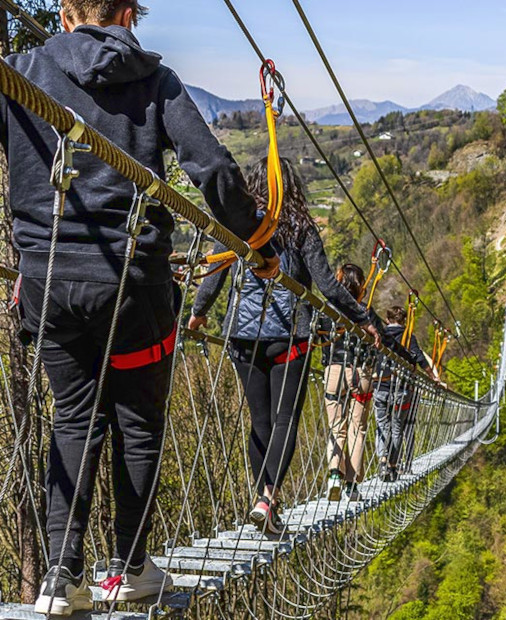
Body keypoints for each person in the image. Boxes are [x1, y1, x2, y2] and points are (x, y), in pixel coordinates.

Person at [1, 1, 280, 614]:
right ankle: (129, 568)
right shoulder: (157, 80)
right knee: (139, 424)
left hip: (47, 286)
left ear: (66, 13)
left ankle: (59, 575)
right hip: (132, 289)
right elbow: (215, 172)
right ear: (128, 14)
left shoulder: (18, 71)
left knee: (73, 418)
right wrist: (257, 241)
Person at [189, 157, 379, 533]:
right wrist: (362, 318)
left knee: (259, 422)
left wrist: (198, 312)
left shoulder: (237, 221)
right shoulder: (301, 227)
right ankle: (268, 498)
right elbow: (326, 284)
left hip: (242, 339)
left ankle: (263, 498)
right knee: (283, 420)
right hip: (289, 339)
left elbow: (214, 270)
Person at [317, 264, 380, 502]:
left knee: (336, 426)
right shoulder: (365, 311)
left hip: (334, 371)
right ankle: (352, 485)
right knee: (358, 428)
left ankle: (335, 473)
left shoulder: (325, 310)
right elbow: (384, 343)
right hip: (361, 373)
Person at [373, 305, 435, 482]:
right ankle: (393, 465)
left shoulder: (380, 335)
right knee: (397, 427)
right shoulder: (409, 338)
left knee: (382, 425)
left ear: (387, 320)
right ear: (405, 321)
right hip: (402, 390)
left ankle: (383, 460)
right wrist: (433, 377)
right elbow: (420, 359)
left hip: (381, 386)